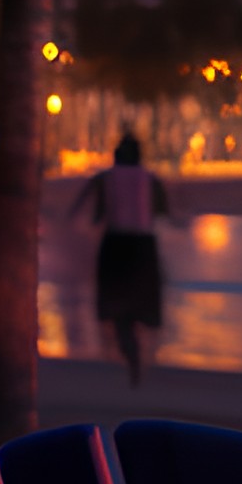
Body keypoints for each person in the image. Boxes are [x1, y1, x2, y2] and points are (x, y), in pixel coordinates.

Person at [73, 132, 176, 385]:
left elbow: (95, 214)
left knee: (119, 309)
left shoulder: (105, 177)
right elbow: (162, 212)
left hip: (116, 244)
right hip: (143, 245)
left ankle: (129, 352)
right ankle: (135, 358)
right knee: (140, 307)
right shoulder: (151, 179)